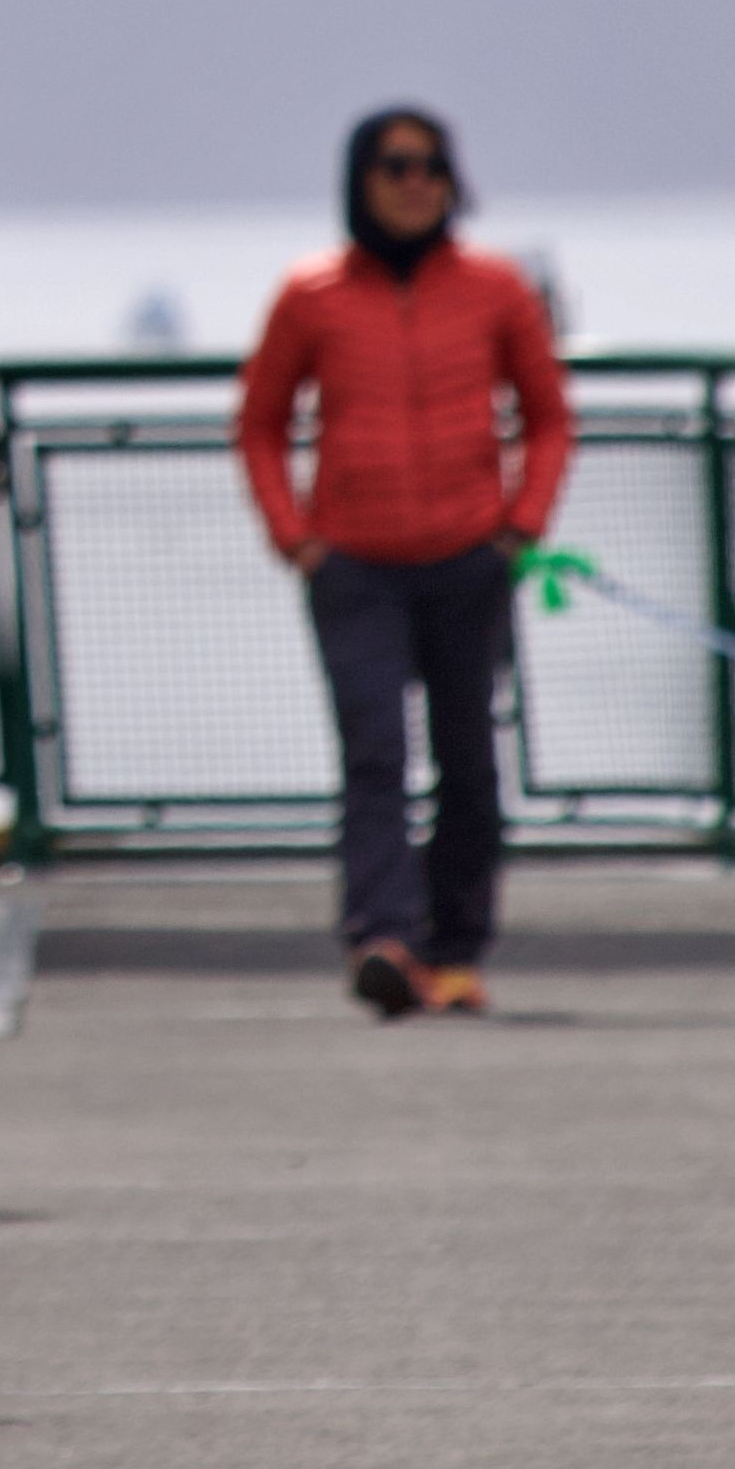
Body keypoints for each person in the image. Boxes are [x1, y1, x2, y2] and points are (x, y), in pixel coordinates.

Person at [234, 106, 574, 1019]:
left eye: (431, 166)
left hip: (470, 558)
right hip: (355, 567)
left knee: (469, 761)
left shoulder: (497, 290)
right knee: (375, 756)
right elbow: (260, 424)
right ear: (360, 180)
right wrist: (294, 536)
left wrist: (522, 523)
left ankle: (455, 951)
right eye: (394, 166)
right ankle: (383, 940)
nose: (415, 181)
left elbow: (548, 415)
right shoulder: (310, 297)